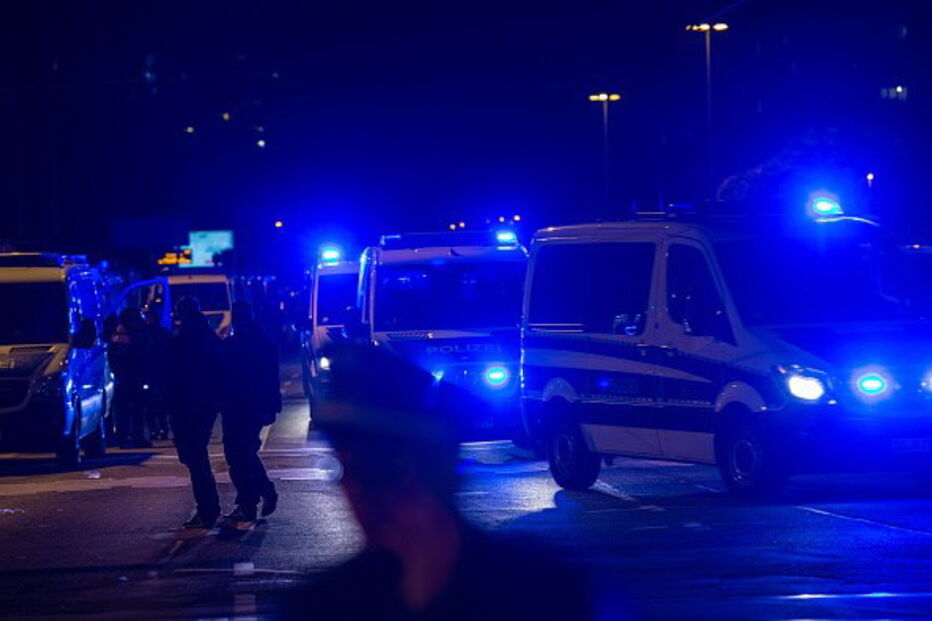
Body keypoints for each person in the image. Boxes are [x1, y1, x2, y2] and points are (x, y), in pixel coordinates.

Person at [278, 342, 602, 620]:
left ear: (432, 471)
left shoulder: (543, 591)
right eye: (345, 472)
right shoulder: (320, 606)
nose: (354, 493)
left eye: (373, 474)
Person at [220, 300, 281, 523]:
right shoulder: (263, 342)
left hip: (239, 406)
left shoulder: (234, 345)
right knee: (243, 454)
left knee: (239, 455)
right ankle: (255, 496)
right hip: (250, 406)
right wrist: (272, 406)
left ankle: (253, 499)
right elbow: (272, 377)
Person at [164, 296, 222, 529]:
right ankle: (209, 506)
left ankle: (208, 508)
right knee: (195, 455)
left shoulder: (183, 340)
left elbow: (171, 374)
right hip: (201, 403)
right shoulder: (207, 337)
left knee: (194, 456)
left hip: (189, 404)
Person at [108, 307, 151, 448]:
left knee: (124, 408)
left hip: (125, 376)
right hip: (133, 375)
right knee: (135, 407)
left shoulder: (118, 334)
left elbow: (113, 354)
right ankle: (134, 436)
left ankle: (123, 436)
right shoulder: (136, 333)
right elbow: (144, 354)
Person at [143, 305, 171, 441]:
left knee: (156, 404)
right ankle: (157, 429)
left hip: (157, 372)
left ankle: (161, 428)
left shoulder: (157, 333)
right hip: (153, 372)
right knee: (152, 404)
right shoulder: (148, 333)